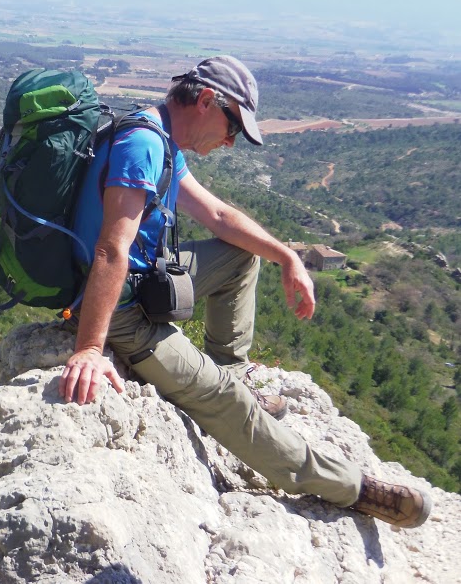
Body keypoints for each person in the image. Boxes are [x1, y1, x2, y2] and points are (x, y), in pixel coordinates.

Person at [58, 55, 431, 528]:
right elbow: (112, 250)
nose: (231, 141)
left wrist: (287, 256)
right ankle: (352, 487)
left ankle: (232, 369)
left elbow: (218, 217)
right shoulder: (143, 145)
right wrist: (90, 348)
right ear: (208, 100)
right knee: (225, 404)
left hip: (140, 280)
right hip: (120, 311)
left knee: (241, 254)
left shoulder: (158, 136)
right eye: (232, 126)